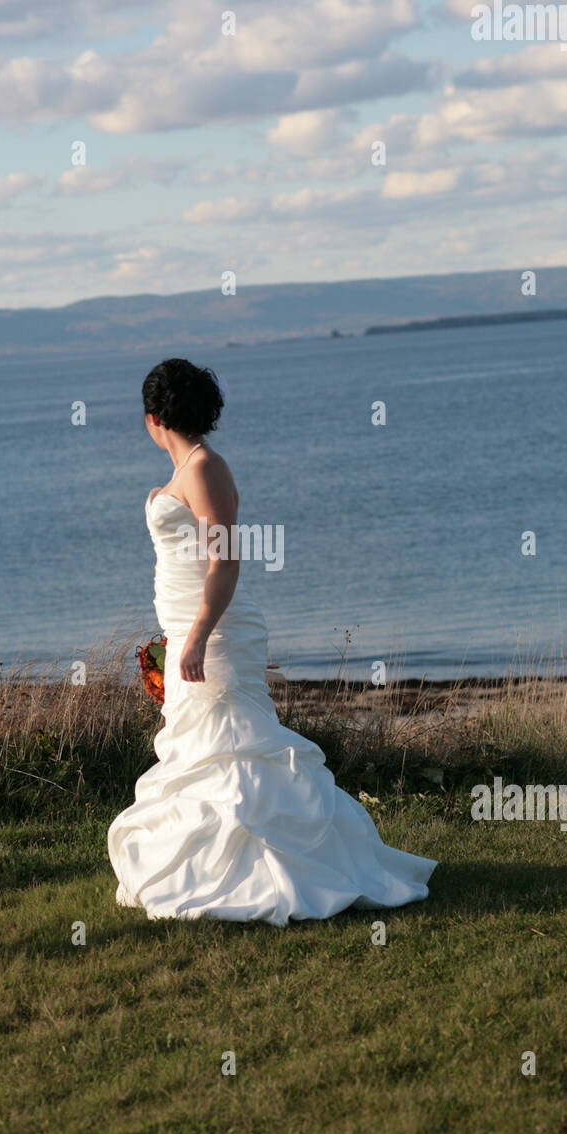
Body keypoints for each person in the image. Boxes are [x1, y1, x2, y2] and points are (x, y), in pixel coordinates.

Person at [107, 357, 436, 926]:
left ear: (152, 419)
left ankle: (266, 874)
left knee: (233, 746)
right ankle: (219, 869)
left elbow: (225, 562)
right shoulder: (186, 471)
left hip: (216, 631)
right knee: (204, 749)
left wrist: (197, 638)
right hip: (188, 626)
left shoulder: (205, 469)